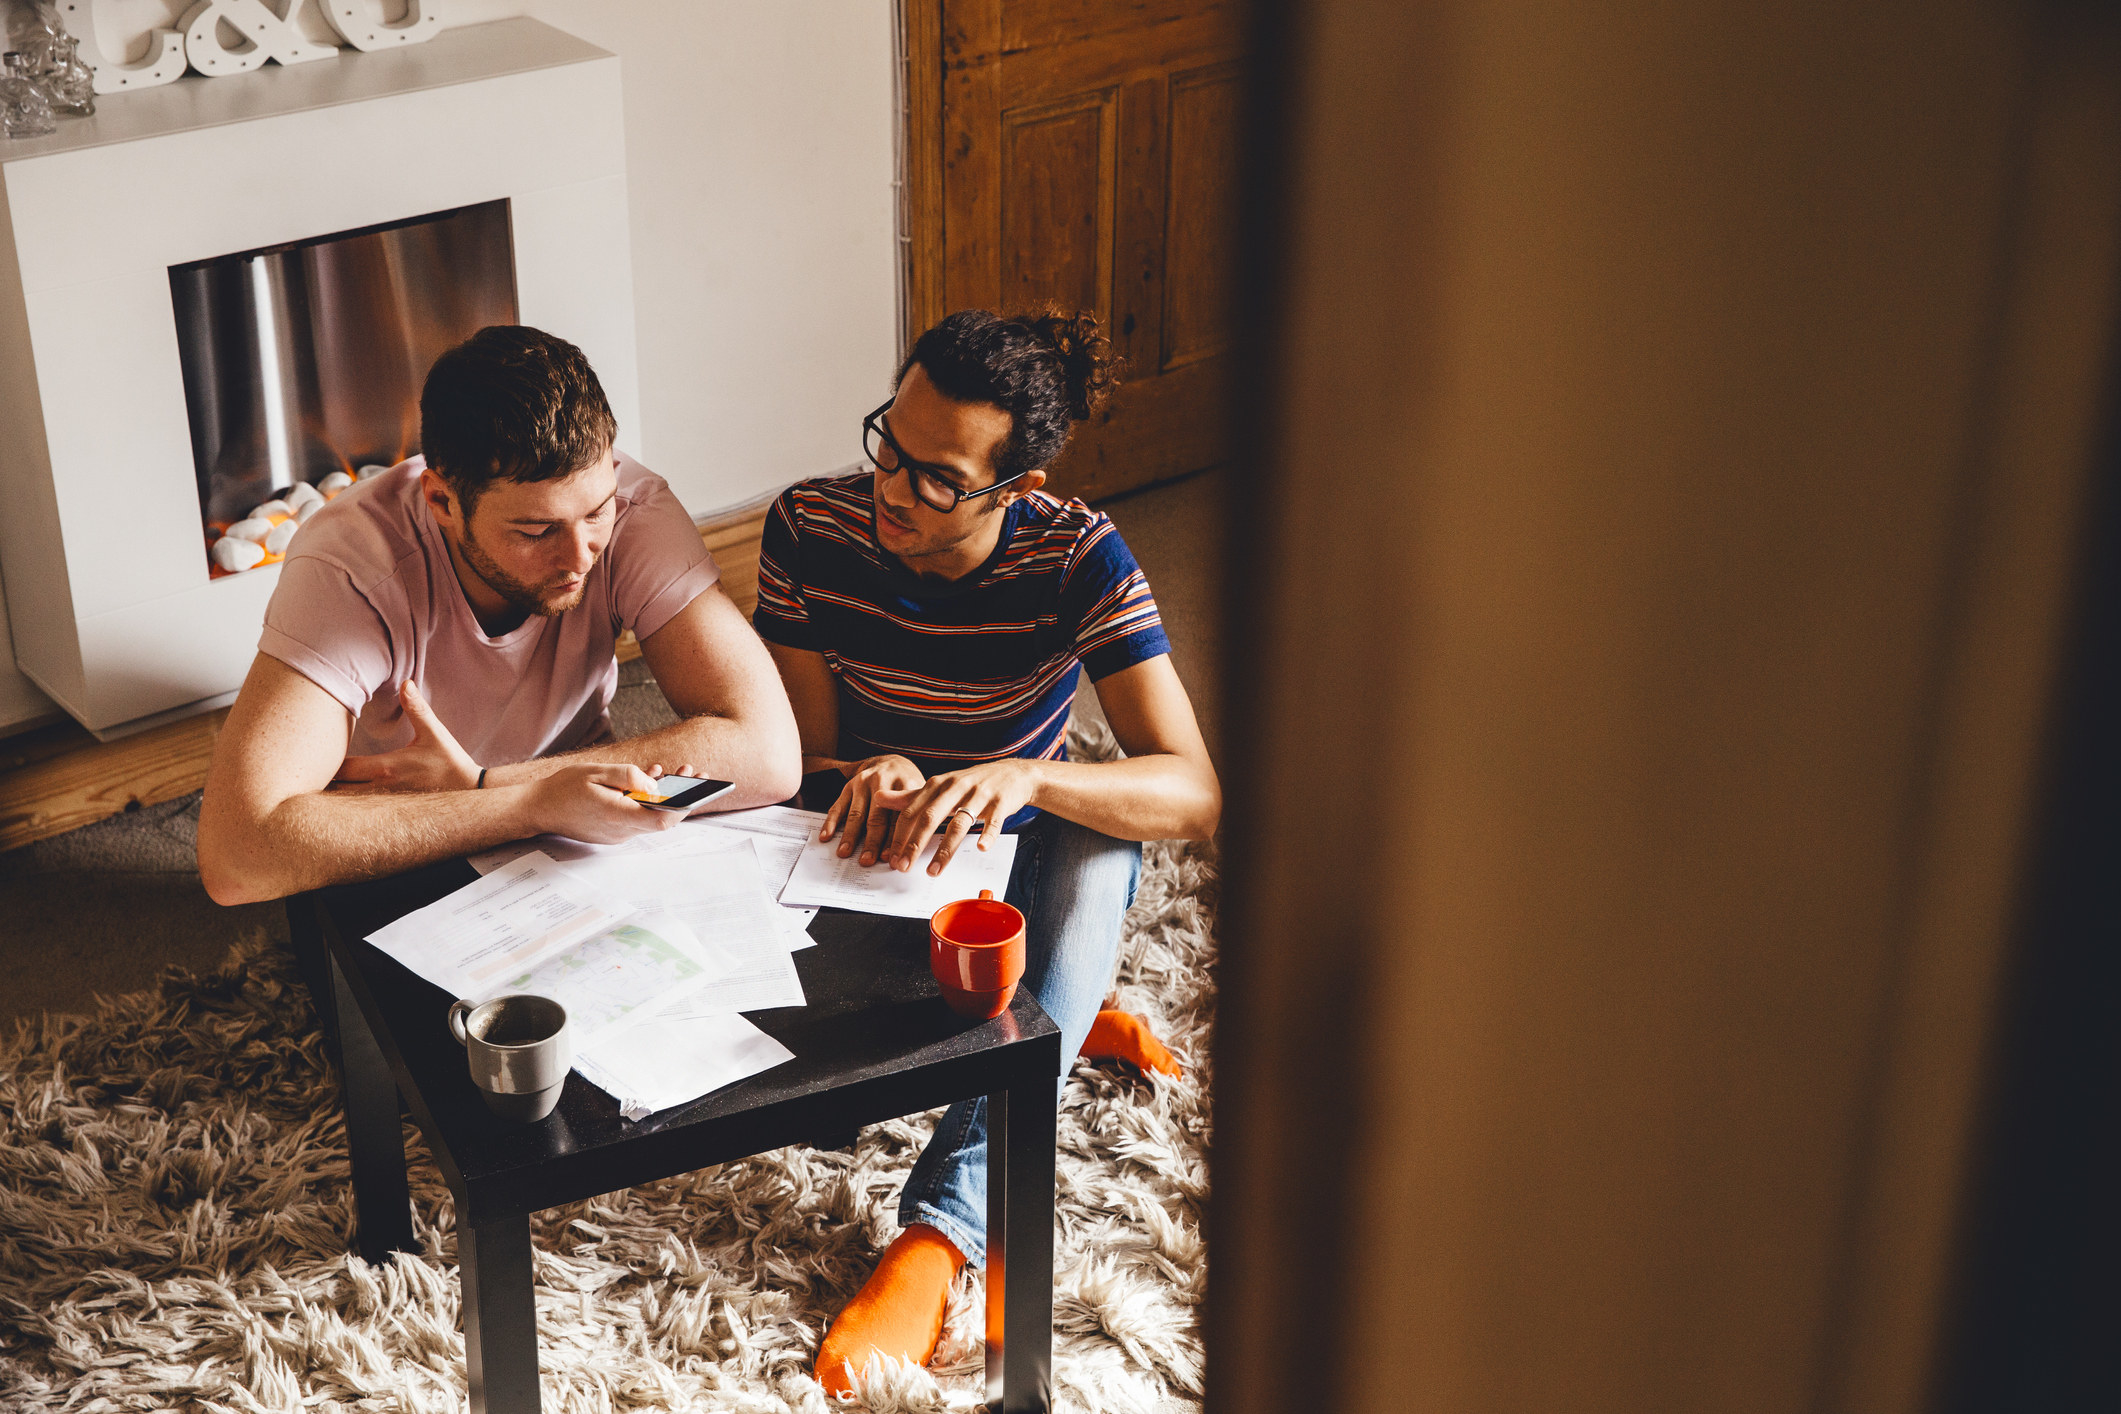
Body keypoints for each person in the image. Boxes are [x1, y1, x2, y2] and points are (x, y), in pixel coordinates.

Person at [752, 308, 1221, 1394]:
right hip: (870, 847)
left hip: (1014, 859)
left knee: (1100, 855)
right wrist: (859, 776)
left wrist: (1028, 777)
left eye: (939, 480)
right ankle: (1060, 1002)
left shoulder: (1078, 555)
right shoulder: (807, 531)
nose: (894, 489)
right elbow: (799, 763)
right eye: (890, 448)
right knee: (776, 1049)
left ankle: (937, 1238)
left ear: (1018, 488)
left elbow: (1193, 792)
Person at [196, 325, 801, 906]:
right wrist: (526, 803)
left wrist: (491, 785)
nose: (579, 556)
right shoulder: (352, 563)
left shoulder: (635, 509)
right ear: (442, 501)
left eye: (595, 514)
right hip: (393, 834)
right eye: (536, 532)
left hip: (580, 827)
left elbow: (770, 752)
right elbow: (238, 855)